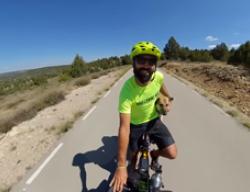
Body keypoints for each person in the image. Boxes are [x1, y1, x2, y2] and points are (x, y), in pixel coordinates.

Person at [110, 41, 177, 192]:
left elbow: (161, 86)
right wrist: (121, 166)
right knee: (132, 159)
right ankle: (130, 171)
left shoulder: (158, 77)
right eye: (141, 61)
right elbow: (124, 127)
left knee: (172, 153)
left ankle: (154, 154)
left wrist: (169, 99)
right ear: (133, 63)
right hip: (135, 125)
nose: (146, 66)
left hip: (154, 121)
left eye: (151, 62)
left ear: (155, 65)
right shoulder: (127, 90)